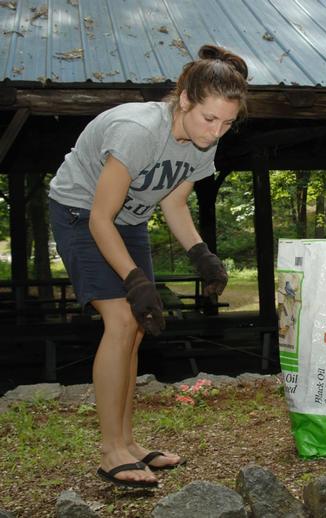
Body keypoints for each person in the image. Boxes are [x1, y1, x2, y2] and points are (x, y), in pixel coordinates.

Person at [48, 44, 248, 487]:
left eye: (227, 123)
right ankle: (110, 451)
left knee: (138, 324)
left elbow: (175, 205)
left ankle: (128, 442)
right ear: (184, 100)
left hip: (130, 219)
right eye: (209, 119)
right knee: (120, 319)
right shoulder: (137, 130)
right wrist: (134, 279)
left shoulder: (202, 147)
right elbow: (101, 218)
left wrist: (203, 255)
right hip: (82, 214)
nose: (216, 132)